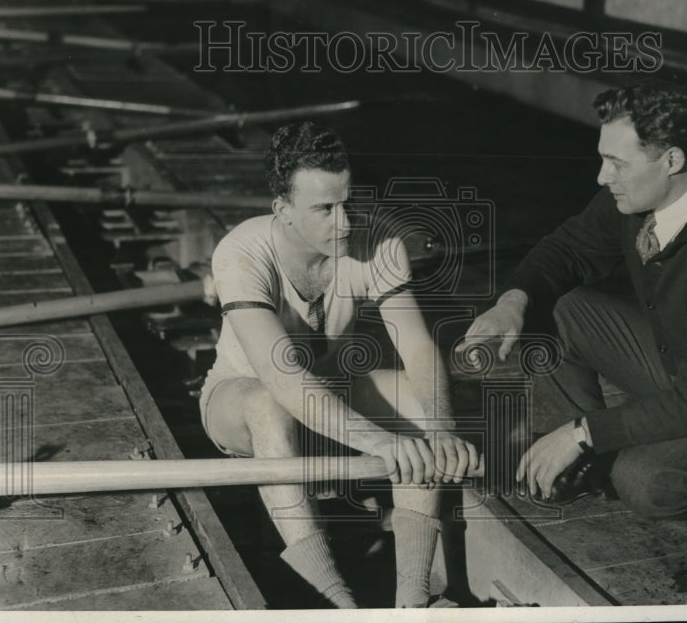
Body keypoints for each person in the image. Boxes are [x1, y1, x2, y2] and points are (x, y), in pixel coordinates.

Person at [463, 81, 687, 542]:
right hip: (683, 368)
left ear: (673, 160)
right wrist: (511, 302)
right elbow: (569, 248)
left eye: (616, 163)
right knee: (557, 305)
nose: (602, 176)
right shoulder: (647, 191)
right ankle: (584, 463)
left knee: (645, 483)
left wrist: (582, 432)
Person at [200, 121, 480, 608]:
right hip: (242, 401)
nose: (345, 222)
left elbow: (415, 345)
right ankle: (336, 604)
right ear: (282, 211)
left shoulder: (381, 239)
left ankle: (412, 601)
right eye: (324, 209)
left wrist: (441, 431)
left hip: (330, 395)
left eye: (350, 201)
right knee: (269, 405)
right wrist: (380, 441)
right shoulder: (241, 252)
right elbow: (283, 379)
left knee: (421, 401)